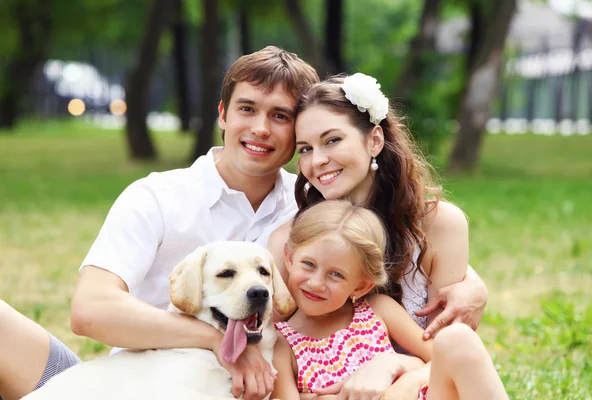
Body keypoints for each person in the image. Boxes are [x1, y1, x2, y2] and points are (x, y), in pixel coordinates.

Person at [0, 45, 320, 400]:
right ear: (223, 115)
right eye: (247, 109)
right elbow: (90, 310)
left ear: (299, 129)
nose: (260, 128)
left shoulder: (310, 211)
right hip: (124, 384)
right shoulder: (157, 195)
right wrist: (221, 342)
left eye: (280, 116)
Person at [267, 73, 488, 397]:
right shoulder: (294, 240)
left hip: (421, 388)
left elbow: (448, 353)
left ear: (374, 140)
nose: (317, 161)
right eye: (305, 149)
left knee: (457, 341)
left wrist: (392, 368)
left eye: (332, 140)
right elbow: (270, 347)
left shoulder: (440, 224)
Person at [271, 200, 508, 400]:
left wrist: (408, 380)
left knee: (458, 338)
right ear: (290, 258)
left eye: (336, 274)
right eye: (308, 264)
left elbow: (438, 359)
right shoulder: (281, 342)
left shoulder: (376, 309)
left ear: (362, 285)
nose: (316, 283)